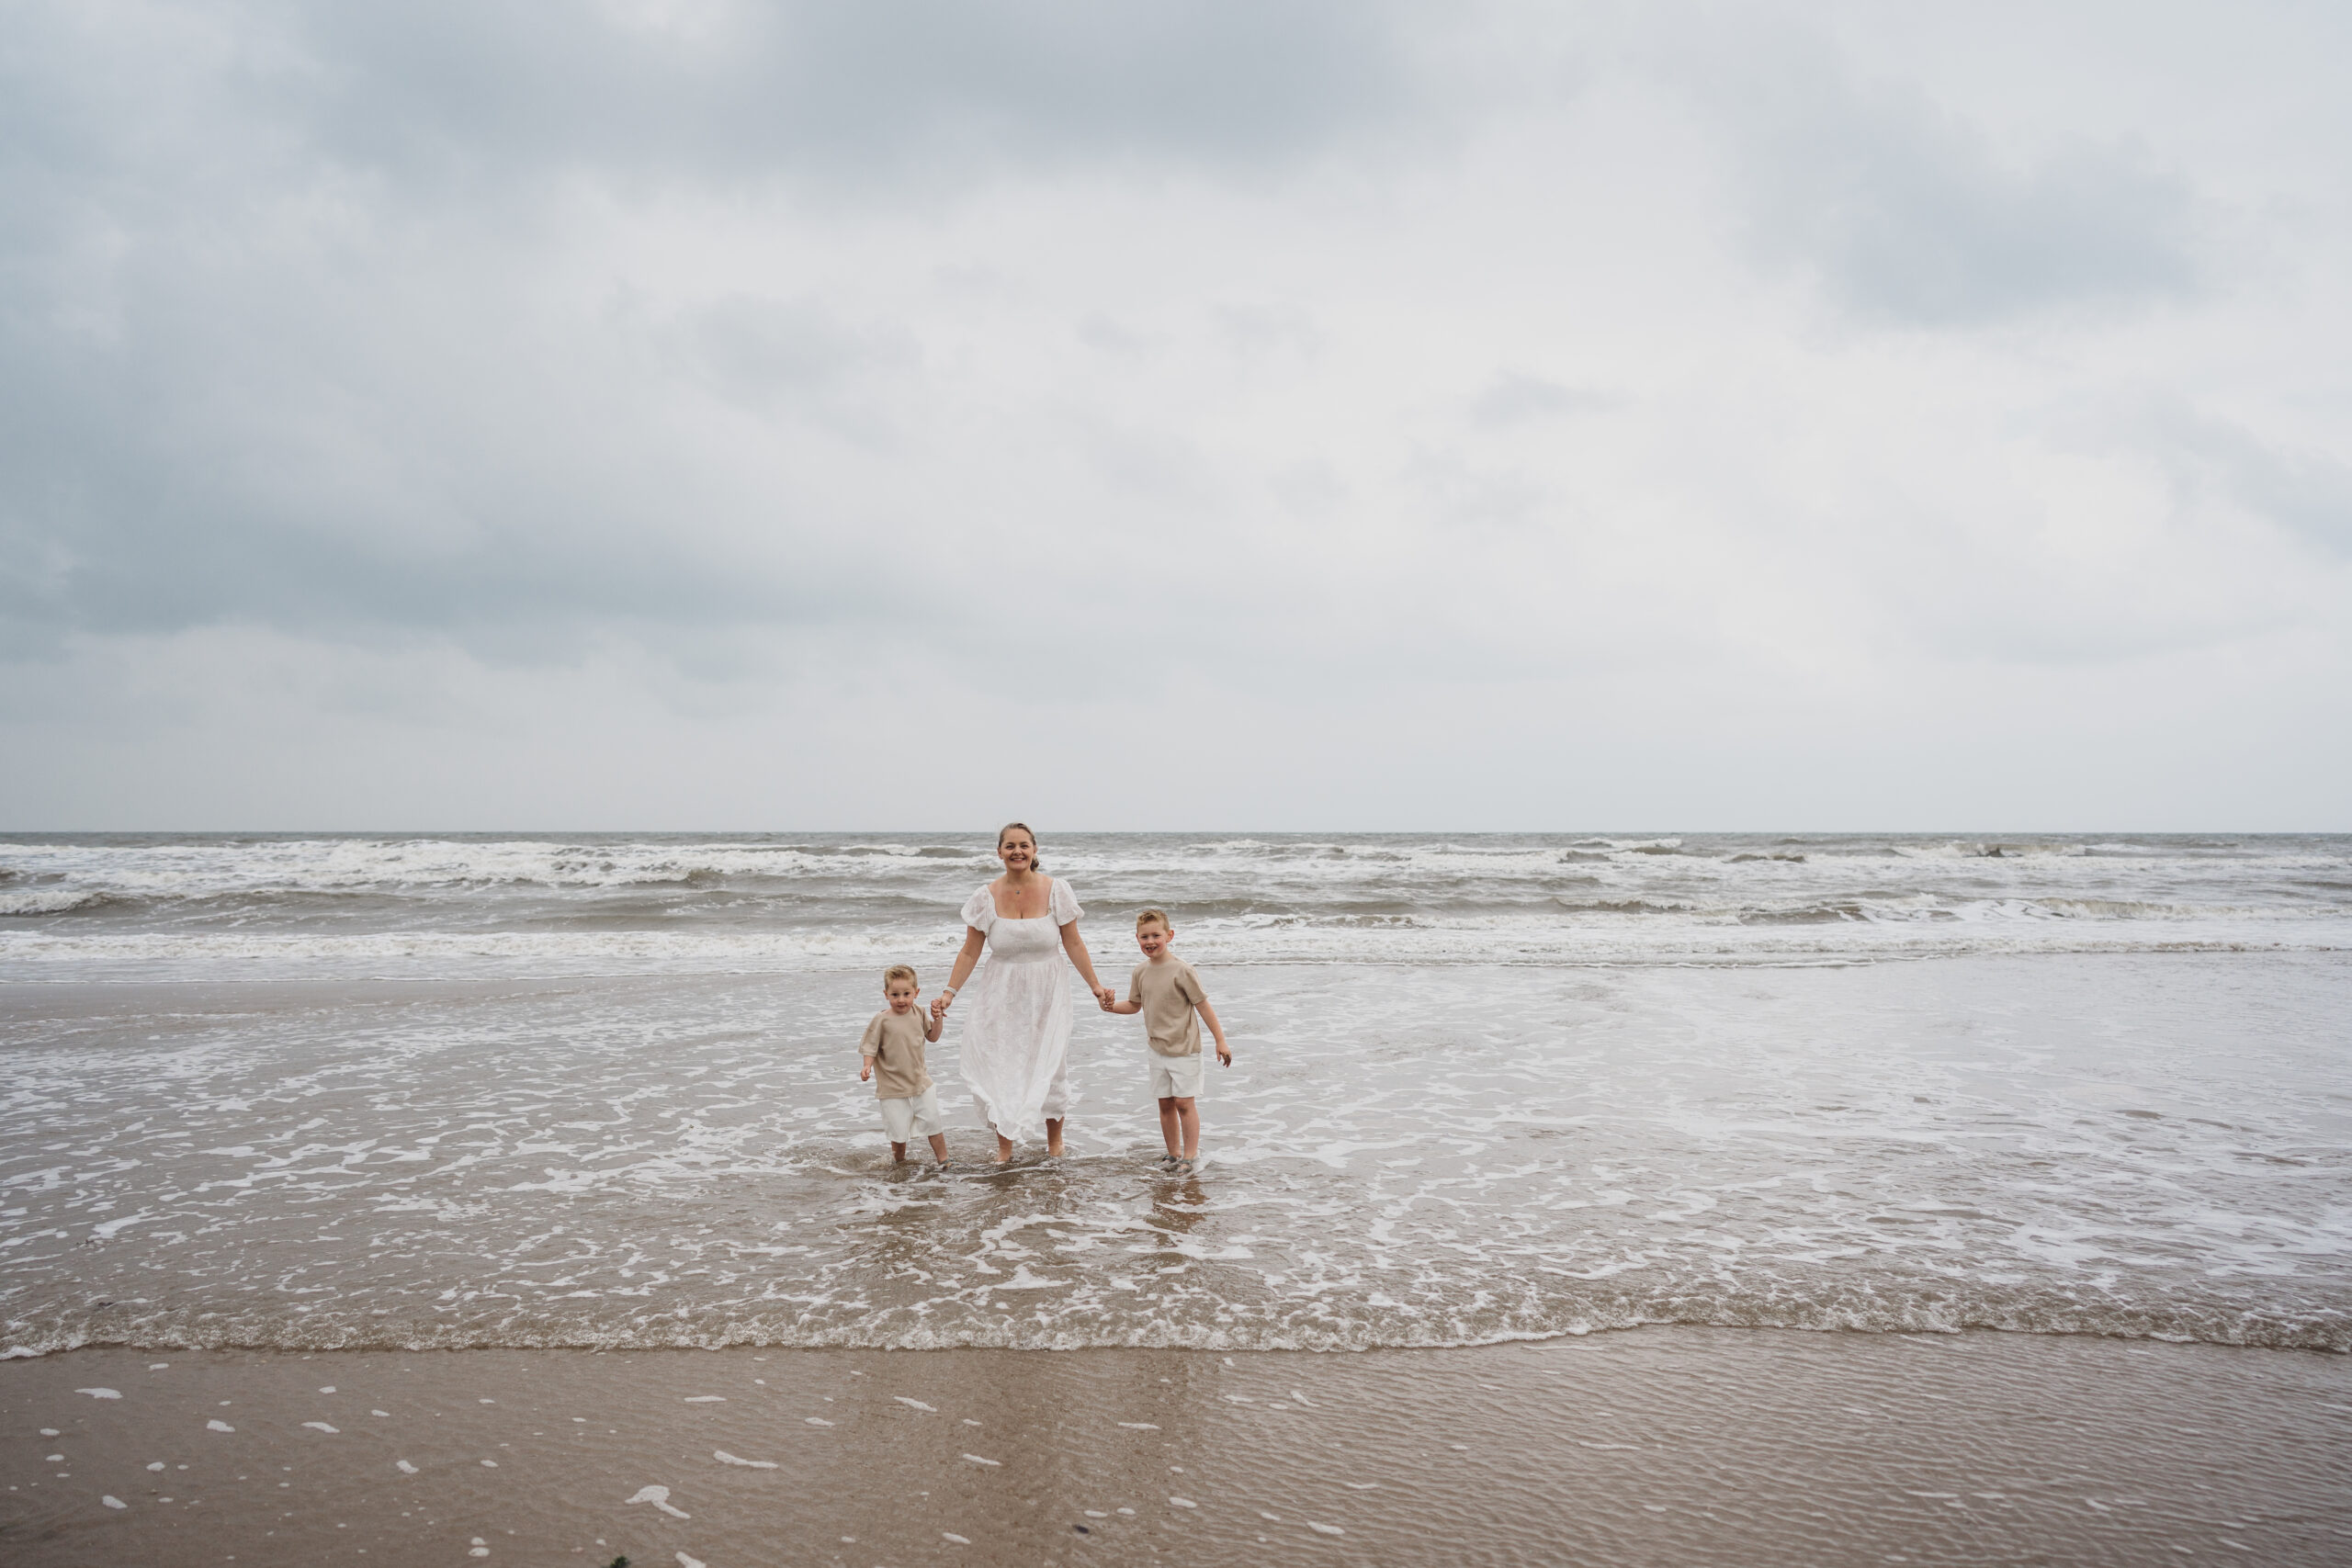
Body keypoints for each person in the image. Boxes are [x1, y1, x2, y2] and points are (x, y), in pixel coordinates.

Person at [931, 823, 1115, 1163]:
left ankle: (1055, 1144)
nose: (1018, 851)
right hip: (1000, 993)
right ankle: (1005, 1148)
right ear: (999, 852)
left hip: (1048, 992)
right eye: (1010, 846)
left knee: (1052, 1063)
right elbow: (970, 951)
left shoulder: (1057, 890)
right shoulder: (985, 896)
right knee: (1004, 1064)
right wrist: (949, 992)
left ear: (1034, 850)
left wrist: (1095, 986)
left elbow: (1073, 942)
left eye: (1024, 845)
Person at [1100, 908, 1229, 1174]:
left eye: (1156, 935)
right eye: (1144, 936)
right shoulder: (1140, 972)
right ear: (1136, 938)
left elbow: (1204, 1006)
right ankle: (1173, 1154)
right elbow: (1135, 1005)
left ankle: (1190, 1156)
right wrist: (1109, 1006)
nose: (1150, 942)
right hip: (1156, 1049)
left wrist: (1220, 1040)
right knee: (1165, 1103)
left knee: (1184, 1103)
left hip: (1184, 1048)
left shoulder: (1182, 970)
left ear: (1169, 935)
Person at [861, 964, 948, 1168]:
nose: (901, 1000)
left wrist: (938, 1020)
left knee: (933, 1123)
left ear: (916, 993)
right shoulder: (881, 1020)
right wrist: (867, 1066)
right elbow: (870, 1047)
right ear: (886, 994)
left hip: (920, 1082)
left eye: (906, 994)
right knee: (898, 1133)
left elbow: (933, 1036)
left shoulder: (919, 1012)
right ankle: (899, 1162)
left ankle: (944, 1161)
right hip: (892, 1087)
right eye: (895, 994)